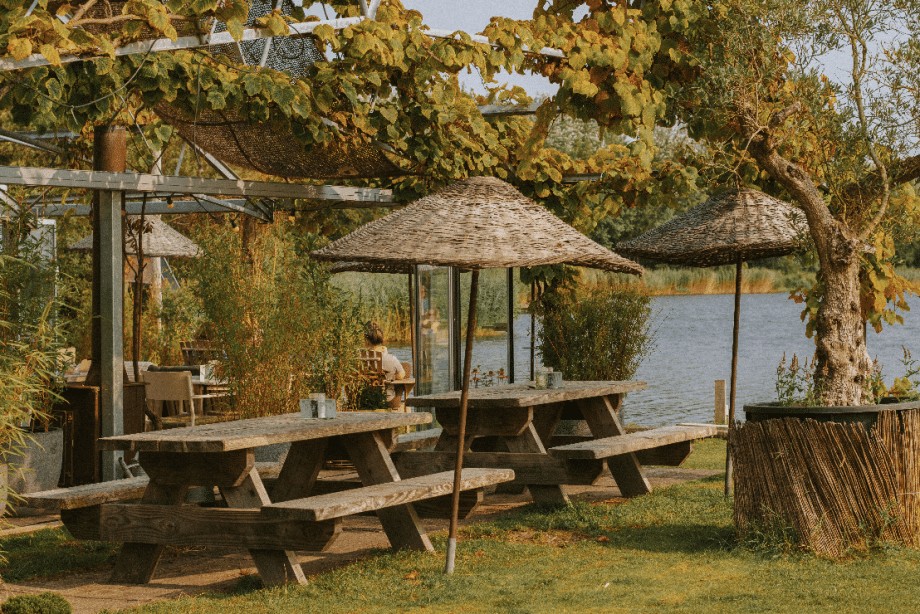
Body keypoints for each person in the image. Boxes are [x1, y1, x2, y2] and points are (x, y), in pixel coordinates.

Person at [364, 322, 406, 403]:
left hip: (365, 400)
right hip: (387, 399)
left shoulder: (361, 359)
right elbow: (401, 375)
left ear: (367, 341)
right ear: (382, 341)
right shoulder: (391, 359)